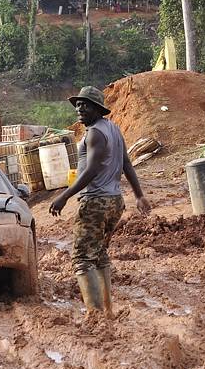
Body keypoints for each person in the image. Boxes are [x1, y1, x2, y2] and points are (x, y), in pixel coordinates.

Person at [48, 86, 151, 320]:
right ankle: (107, 311)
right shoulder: (114, 129)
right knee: (100, 254)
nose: (79, 108)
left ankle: (95, 316)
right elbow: (126, 163)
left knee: (83, 259)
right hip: (114, 201)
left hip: (95, 201)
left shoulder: (94, 133)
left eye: (85, 104)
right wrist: (138, 195)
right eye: (78, 104)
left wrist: (64, 196)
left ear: (97, 109)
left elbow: (92, 170)